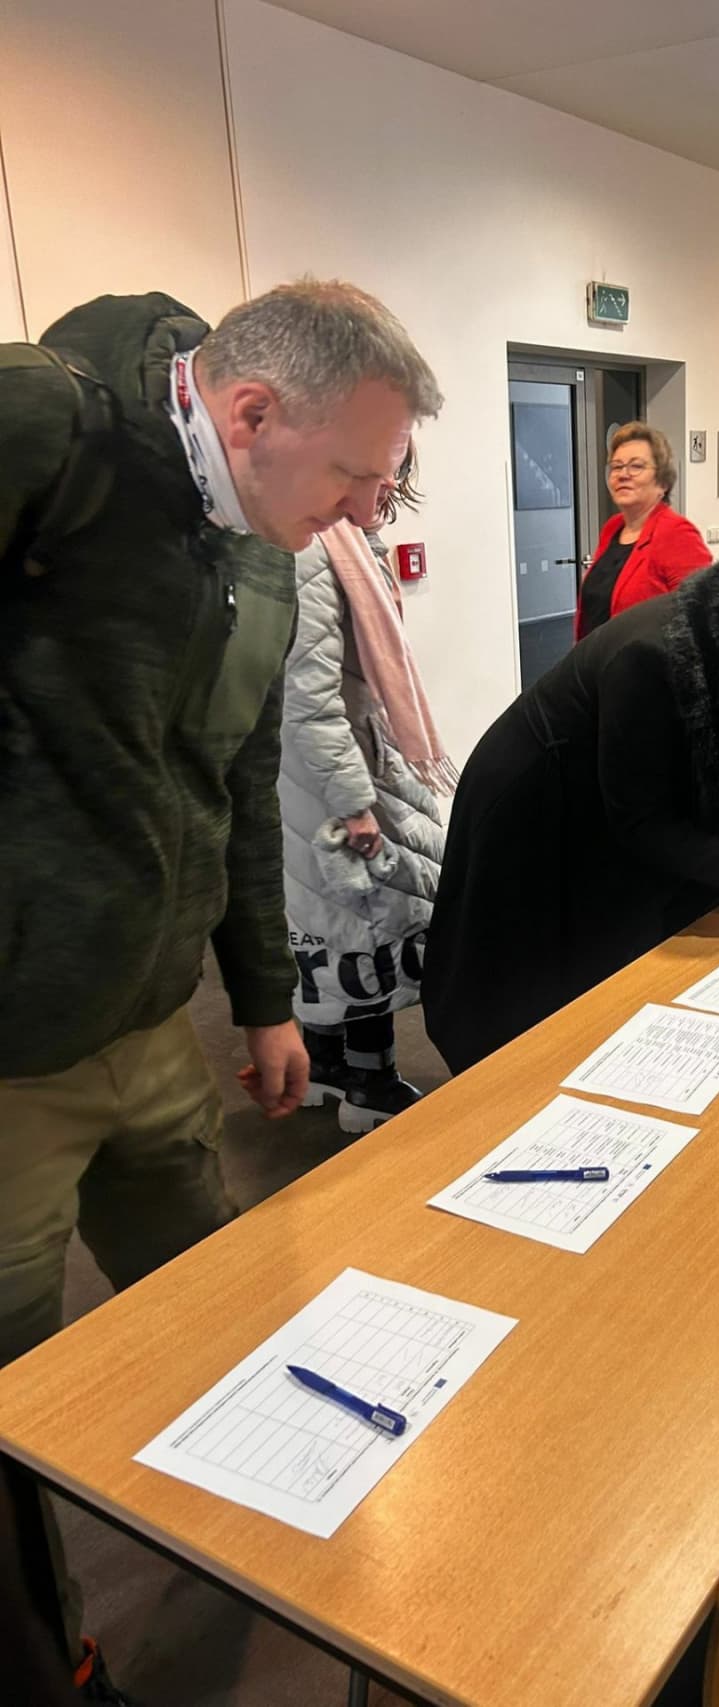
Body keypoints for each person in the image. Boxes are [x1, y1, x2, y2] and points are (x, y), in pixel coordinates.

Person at [0, 278, 441, 1696]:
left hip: (147, 1024)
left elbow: (240, 784)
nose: (369, 511)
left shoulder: (261, 546)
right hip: (10, 1057)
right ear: (251, 412)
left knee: (215, 1294)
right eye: (356, 475)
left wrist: (262, 997)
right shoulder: (44, 428)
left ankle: (274, 1533)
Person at [424, 551, 719, 1073]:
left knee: (644, 946)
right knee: (538, 989)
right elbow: (641, 820)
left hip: (613, 793)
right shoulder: (651, 655)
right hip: (539, 803)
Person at [279, 446, 456, 1132]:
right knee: (363, 927)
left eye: (399, 468)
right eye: (381, 465)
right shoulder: (318, 549)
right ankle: (368, 1083)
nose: (390, 483)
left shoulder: (344, 538)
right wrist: (355, 803)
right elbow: (313, 698)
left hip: (343, 765)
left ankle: (326, 1064)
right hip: (339, 775)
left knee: (336, 926)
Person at [575, 421, 711, 638]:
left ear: (662, 483)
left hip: (643, 659)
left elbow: (700, 617)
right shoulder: (613, 528)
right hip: (596, 656)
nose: (623, 474)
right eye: (616, 467)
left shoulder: (676, 533)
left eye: (636, 466)